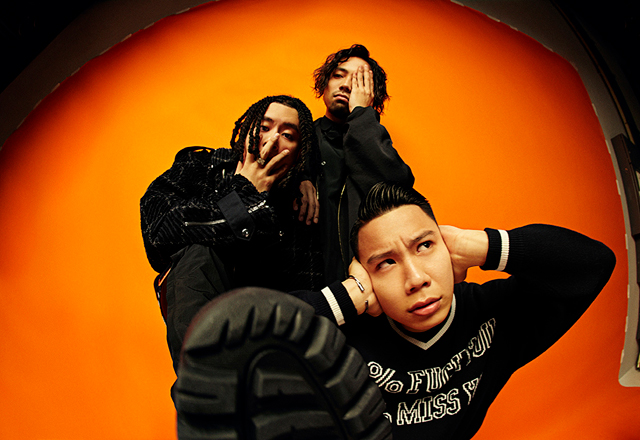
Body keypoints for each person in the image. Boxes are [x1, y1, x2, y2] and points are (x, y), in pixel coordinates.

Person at [173, 182, 616, 439]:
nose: (416, 278)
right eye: (386, 263)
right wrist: (347, 296)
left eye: (425, 246)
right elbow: (223, 359)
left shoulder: (491, 318)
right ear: (365, 279)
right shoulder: (339, 341)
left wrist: (476, 244)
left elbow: (593, 264)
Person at [139, 95, 326, 373]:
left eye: (288, 135)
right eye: (264, 127)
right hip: (203, 340)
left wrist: (303, 178)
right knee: (199, 251)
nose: (273, 139)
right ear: (246, 129)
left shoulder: (299, 204)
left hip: (266, 345)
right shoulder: (201, 166)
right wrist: (243, 190)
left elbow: (304, 297)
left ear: (300, 151)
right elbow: (159, 234)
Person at [311, 44, 415, 283]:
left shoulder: (375, 142)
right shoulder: (302, 138)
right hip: (307, 284)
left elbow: (397, 190)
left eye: (359, 81)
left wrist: (360, 113)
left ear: (370, 94)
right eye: (338, 75)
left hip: (368, 286)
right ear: (324, 84)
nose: (346, 85)